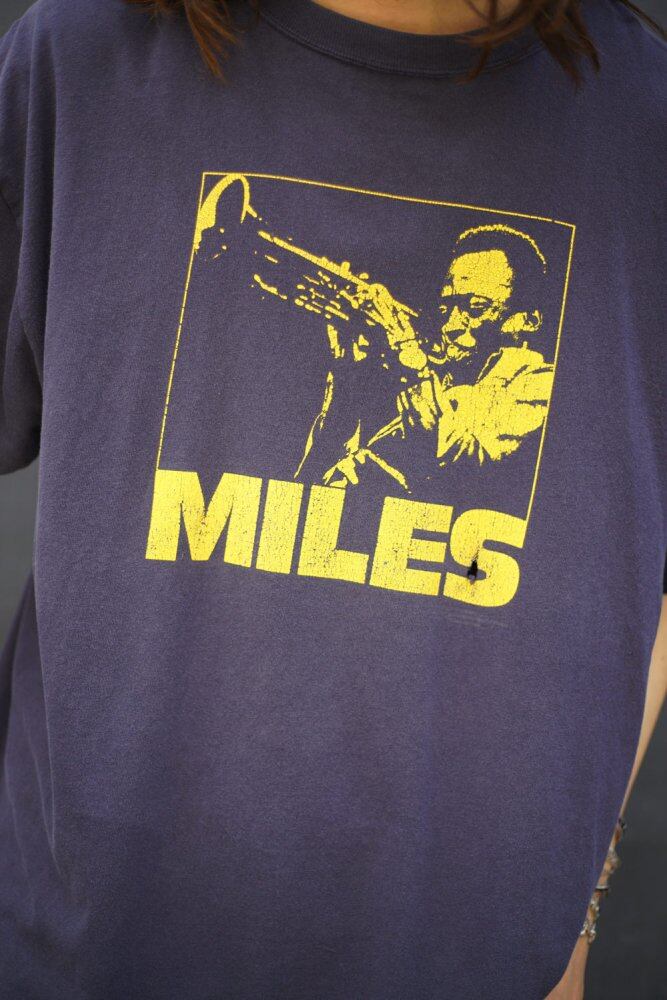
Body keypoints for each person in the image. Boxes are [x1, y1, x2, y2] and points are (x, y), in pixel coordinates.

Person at [0, 1, 665, 999]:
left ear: (523, 322)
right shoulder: (76, 62)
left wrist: (575, 905)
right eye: (448, 300)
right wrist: (357, 368)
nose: (451, 318)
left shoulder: (636, 147)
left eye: (474, 308)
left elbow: (485, 463)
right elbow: (334, 463)